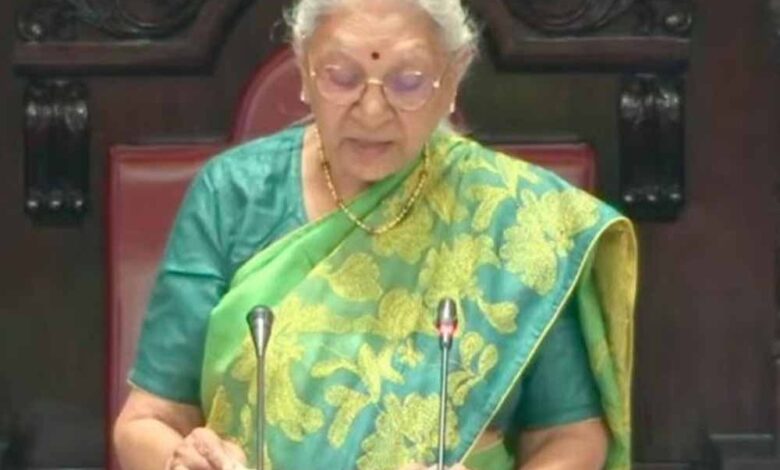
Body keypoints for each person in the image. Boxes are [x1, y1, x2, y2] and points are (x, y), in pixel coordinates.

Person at [113, 0, 638, 469]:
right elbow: (145, 422)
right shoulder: (233, 195)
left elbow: (571, 436)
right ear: (304, 68)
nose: (371, 110)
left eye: (407, 82)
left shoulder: (518, 218)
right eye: (341, 77)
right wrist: (180, 463)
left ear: (453, 76)